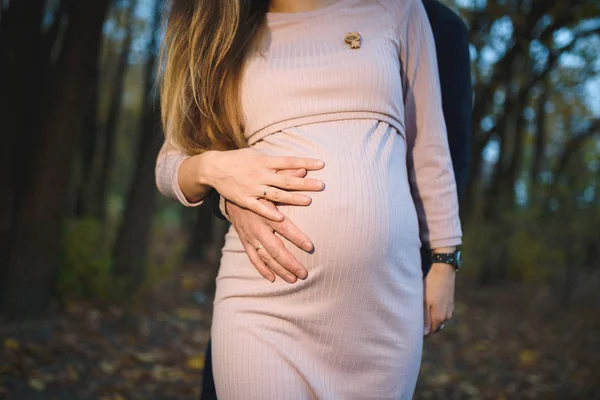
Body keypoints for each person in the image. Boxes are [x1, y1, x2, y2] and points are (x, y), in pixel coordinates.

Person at [156, 0, 469, 398]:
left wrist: (445, 260)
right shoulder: (223, 28)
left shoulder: (398, 9)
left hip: (383, 313)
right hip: (265, 302)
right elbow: (170, 163)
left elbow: (430, 146)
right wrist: (216, 172)